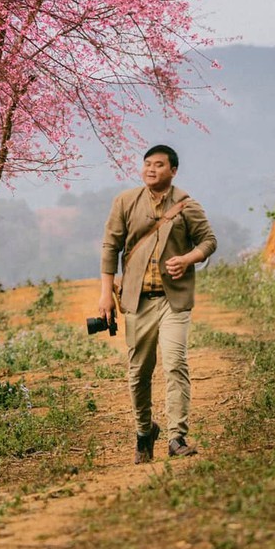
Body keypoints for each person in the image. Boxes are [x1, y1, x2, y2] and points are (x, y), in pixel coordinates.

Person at [99, 144, 217, 463]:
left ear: (173, 171)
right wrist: (105, 294)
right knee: (138, 372)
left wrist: (189, 258)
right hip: (137, 301)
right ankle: (143, 431)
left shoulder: (187, 205)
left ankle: (177, 437)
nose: (151, 169)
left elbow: (209, 241)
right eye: (147, 164)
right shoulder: (125, 202)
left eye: (159, 165)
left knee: (175, 362)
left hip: (173, 300)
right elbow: (110, 247)